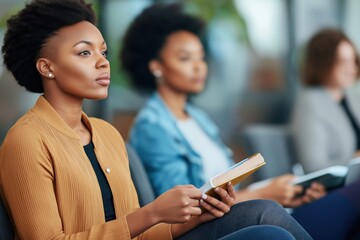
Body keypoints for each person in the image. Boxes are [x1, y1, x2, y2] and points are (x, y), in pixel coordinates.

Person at [0, 0, 312, 240]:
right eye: (84, 53)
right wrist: (150, 214)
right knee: (269, 230)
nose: (102, 63)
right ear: (46, 67)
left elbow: (137, 233)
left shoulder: (107, 134)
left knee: (265, 217)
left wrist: (194, 215)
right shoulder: (26, 140)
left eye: (104, 53)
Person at [123, 3, 360, 240]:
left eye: (201, 58)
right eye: (185, 58)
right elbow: (187, 207)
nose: (199, 67)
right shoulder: (152, 127)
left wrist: (280, 191)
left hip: (235, 212)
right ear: (156, 66)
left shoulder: (198, 119)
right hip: (198, 227)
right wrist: (266, 193)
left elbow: (229, 189)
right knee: (270, 210)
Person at [291, 28, 360, 173]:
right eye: (343, 61)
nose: (351, 68)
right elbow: (313, 166)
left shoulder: (353, 98)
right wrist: (354, 160)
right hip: (338, 187)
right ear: (323, 63)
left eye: (353, 61)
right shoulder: (310, 102)